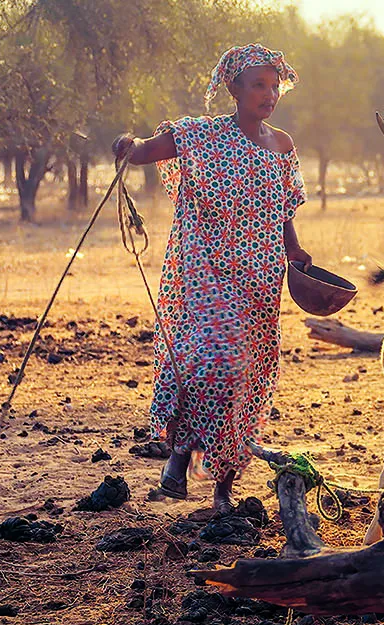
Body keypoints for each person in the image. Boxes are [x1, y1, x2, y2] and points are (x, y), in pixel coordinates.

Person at [112, 43, 310, 513]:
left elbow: (283, 209)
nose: (269, 94)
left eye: (273, 85)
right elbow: (146, 151)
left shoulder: (282, 145)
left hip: (261, 280)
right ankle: (180, 455)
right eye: (258, 85)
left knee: (243, 379)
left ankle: (221, 489)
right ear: (233, 89)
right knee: (209, 363)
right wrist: (129, 147)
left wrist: (294, 247)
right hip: (206, 272)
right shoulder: (202, 135)